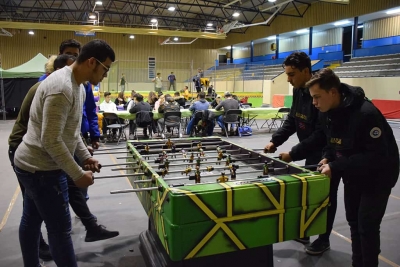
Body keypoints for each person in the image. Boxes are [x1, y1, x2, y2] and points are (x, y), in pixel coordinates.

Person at [13, 39, 117, 266]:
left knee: (31, 219)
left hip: (34, 164)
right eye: (106, 68)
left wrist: (86, 157)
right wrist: (78, 174)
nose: (106, 74)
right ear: (92, 62)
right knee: (60, 230)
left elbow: (71, 133)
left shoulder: (79, 86)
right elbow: (50, 140)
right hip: (41, 169)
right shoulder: (62, 87)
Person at [306, 68, 399, 267]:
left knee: (367, 226)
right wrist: (327, 157)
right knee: (353, 222)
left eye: (317, 97)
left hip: (379, 175)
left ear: (333, 92)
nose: (314, 103)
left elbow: (376, 156)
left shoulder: (366, 113)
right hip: (353, 173)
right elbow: (332, 142)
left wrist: (336, 165)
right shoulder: (327, 112)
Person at [263, 52, 339, 254]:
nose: (288, 79)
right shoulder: (298, 90)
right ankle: (305, 230)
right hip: (308, 149)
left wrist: (293, 153)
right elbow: (292, 120)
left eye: (292, 74)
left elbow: (321, 133)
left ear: (306, 71)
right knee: (308, 193)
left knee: (326, 197)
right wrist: (275, 141)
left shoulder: (319, 91)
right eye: (286, 74)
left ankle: (324, 239)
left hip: (326, 153)